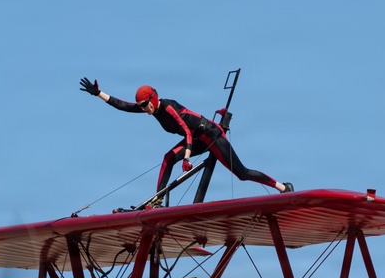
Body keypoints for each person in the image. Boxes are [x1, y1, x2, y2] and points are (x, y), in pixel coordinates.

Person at [79, 78, 293, 200]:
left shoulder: (169, 107)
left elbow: (186, 131)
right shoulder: (151, 110)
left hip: (211, 135)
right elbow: (124, 106)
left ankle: (282, 187)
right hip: (197, 139)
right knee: (167, 158)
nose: (144, 110)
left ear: (153, 99)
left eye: (145, 105)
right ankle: (157, 200)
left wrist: (187, 157)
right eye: (142, 107)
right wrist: (98, 93)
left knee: (242, 174)